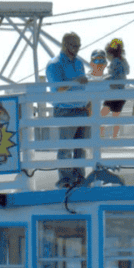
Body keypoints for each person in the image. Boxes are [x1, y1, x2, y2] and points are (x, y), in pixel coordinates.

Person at [45, 32, 89, 187]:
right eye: (74, 45)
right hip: (65, 110)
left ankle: (79, 179)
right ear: (64, 44)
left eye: (78, 45)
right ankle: (65, 180)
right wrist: (76, 81)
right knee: (65, 149)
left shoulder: (79, 63)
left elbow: (83, 86)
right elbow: (58, 88)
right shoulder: (54, 64)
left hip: (81, 109)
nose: (77, 48)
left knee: (80, 149)